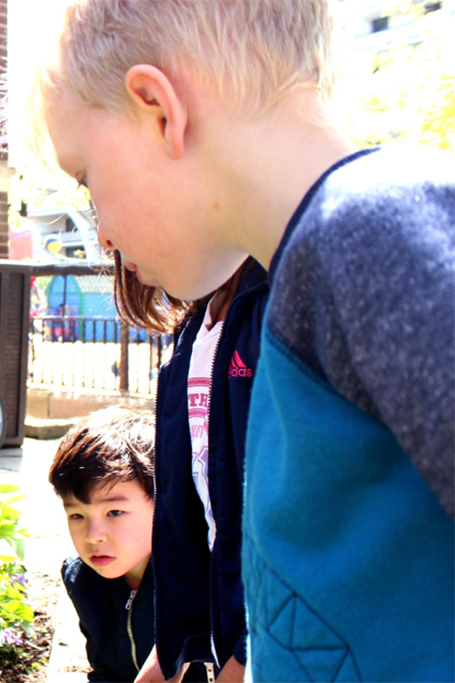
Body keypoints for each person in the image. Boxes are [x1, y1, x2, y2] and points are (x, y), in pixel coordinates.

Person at [30, 1, 455, 680]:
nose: (101, 231)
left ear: (158, 108)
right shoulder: (305, 282)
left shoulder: (368, 234)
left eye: (87, 178)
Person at [113, 260, 268, 683]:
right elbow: (198, 508)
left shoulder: (276, 310)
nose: (106, 238)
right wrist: (171, 651)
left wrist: (247, 654)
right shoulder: (193, 331)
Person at [49, 407, 207, 683]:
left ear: (162, 505)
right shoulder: (83, 580)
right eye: (77, 515)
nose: (93, 536)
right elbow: (105, 671)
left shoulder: (196, 577)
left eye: (114, 513)